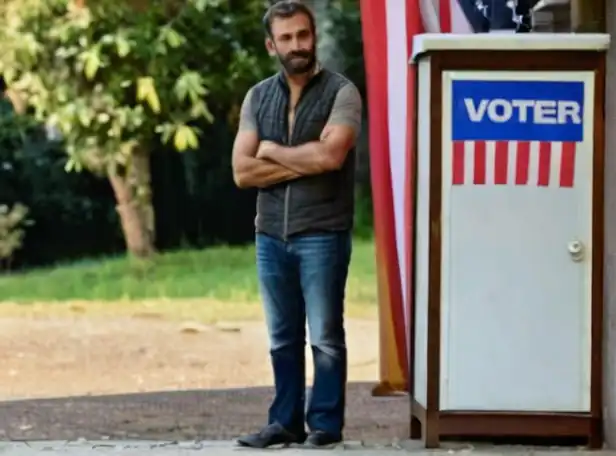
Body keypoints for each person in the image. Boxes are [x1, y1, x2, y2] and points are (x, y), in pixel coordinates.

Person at [231, 0, 362, 449]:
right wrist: (303, 160)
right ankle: (283, 422)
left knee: (325, 335)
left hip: (323, 231)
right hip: (270, 235)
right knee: (282, 336)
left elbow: (331, 156)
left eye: (302, 35)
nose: (296, 45)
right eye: (286, 38)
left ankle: (324, 424)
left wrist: (270, 151)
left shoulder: (342, 92)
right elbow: (241, 172)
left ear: (314, 37)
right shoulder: (257, 96)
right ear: (272, 45)